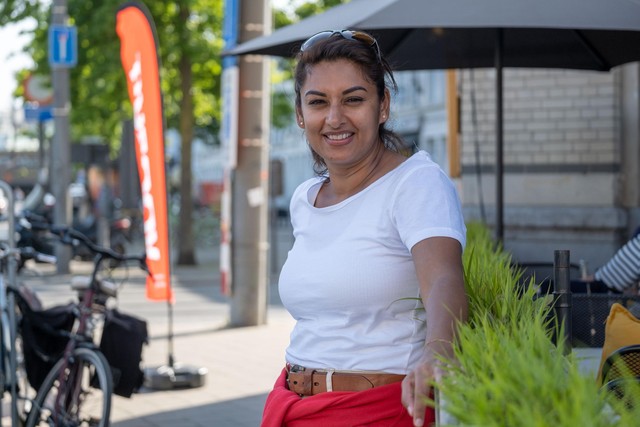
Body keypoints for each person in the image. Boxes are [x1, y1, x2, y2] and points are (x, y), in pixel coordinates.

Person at [261, 30, 468, 427]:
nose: (335, 118)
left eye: (353, 99)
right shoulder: (305, 198)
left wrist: (439, 350)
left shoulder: (415, 182)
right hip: (291, 404)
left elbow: (444, 277)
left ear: (382, 105)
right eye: (318, 102)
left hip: (378, 409)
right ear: (301, 114)